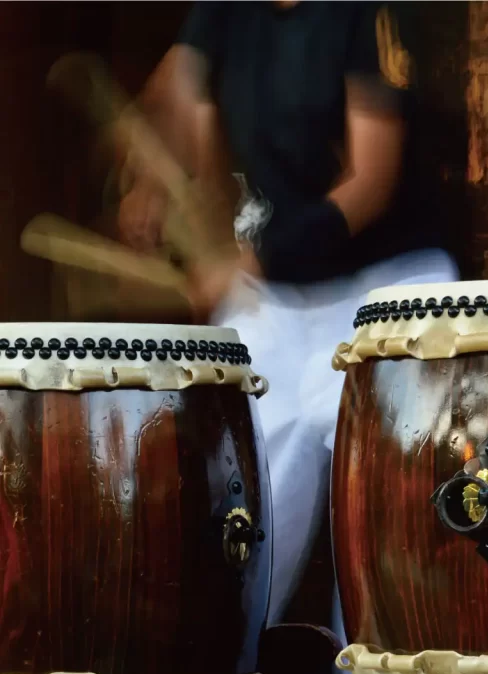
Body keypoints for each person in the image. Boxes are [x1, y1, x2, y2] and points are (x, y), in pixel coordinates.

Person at [116, 0, 459, 637]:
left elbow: (371, 179)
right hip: (279, 300)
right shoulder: (223, 14)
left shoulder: (364, 13)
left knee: (387, 533)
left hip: (388, 296)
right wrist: (155, 177)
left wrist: (255, 256)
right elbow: (175, 91)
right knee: (239, 532)